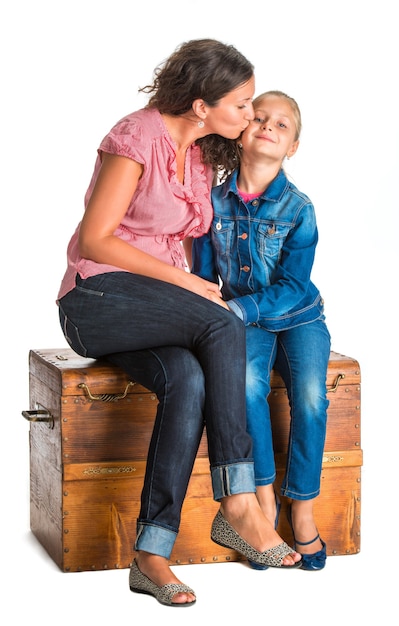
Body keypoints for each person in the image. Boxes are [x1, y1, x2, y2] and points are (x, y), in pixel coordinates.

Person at [56, 45, 302, 608]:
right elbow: (96, 239)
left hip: (150, 308)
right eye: (241, 105)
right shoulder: (137, 136)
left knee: (188, 379)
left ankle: (151, 554)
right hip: (94, 299)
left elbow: (258, 176)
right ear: (200, 105)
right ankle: (239, 501)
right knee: (220, 323)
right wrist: (185, 284)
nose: (249, 113)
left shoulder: (199, 153)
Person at [192, 90, 331, 572]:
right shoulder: (212, 201)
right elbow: (205, 274)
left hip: (299, 318)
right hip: (239, 321)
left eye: (283, 125)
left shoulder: (299, 208)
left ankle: (305, 508)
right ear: (242, 132)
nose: (269, 126)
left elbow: (294, 285)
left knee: (312, 396)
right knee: (246, 388)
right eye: (260, 117)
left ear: (291, 147)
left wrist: (237, 309)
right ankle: (264, 502)